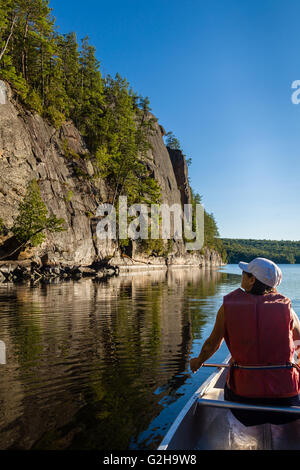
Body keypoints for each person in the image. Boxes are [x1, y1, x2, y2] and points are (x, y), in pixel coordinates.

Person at [190, 257, 300, 426]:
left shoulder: (227, 307)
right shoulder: (288, 309)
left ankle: (240, 433)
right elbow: (299, 345)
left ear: (252, 279)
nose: (241, 276)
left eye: (244, 273)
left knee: (234, 392)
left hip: (244, 405)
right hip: (287, 404)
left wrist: (198, 361)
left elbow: (212, 344)